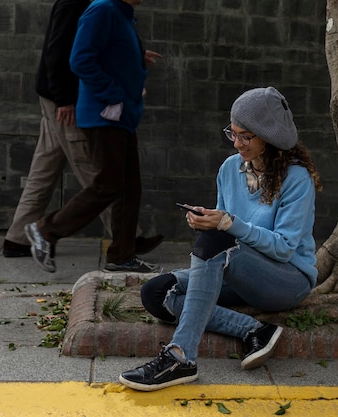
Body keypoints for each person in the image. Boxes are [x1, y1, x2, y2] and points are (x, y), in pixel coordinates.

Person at [119, 86, 323, 391]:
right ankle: (255, 330)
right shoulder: (230, 169)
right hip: (239, 272)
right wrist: (207, 223)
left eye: (246, 136)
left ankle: (180, 356)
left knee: (217, 243)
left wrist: (228, 223)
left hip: (286, 280)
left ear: (268, 136)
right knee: (156, 292)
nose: (237, 143)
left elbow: (282, 248)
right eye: (233, 133)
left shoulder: (297, 179)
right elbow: (226, 236)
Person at [3, 0, 163, 260]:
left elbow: (103, 46)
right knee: (100, 174)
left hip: (84, 101)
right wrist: (64, 99)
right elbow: (64, 53)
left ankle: (18, 238)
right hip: (71, 101)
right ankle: (49, 232)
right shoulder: (87, 5)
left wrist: (135, 54)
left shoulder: (115, 11)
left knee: (46, 167)